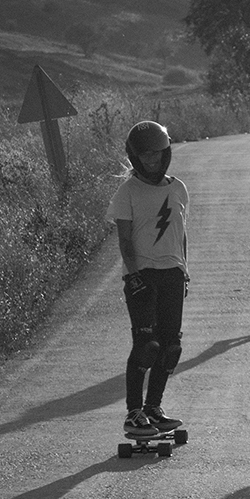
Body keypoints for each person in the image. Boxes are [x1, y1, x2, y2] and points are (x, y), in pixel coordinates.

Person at [106, 120, 188, 433]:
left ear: (166, 153)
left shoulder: (178, 188)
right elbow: (125, 240)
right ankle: (133, 412)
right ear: (135, 157)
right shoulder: (127, 191)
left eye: (156, 153)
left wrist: (184, 270)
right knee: (146, 346)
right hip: (142, 275)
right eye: (145, 155)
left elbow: (180, 233)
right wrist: (133, 275)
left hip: (173, 273)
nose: (151, 160)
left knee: (170, 348)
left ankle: (153, 408)